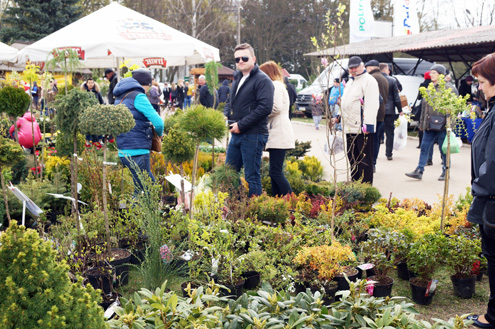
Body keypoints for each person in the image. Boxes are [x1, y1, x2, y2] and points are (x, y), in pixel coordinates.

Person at [466, 52, 495, 329]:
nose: (480, 87)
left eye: (483, 81)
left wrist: (478, 189)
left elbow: (493, 162)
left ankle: (493, 317)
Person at [223, 43, 274, 197]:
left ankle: (254, 213)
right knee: (229, 172)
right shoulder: (238, 77)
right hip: (237, 133)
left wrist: (241, 125)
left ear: (253, 58)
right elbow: (230, 100)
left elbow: (265, 107)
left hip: (253, 134)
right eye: (237, 59)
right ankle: (238, 205)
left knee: (251, 176)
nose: (240, 61)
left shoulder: (262, 80)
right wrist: (226, 114)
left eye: (244, 58)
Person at [113, 68, 164, 194]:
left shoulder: (119, 97)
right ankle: (139, 213)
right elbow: (158, 122)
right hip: (138, 150)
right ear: (146, 85)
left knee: (142, 188)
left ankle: (138, 212)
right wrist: (159, 135)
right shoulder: (139, 97)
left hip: (123, 150)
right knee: (147, 189)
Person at [405, 64, 457, 181]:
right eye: (431, 72)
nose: (431, 74)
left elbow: (455, 109)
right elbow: (424, 109)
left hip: (443, 125)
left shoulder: (450, 89)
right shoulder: (429, 88)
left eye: (434, 72)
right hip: (429, 125)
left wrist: (450, 126)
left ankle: (446, 171)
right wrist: (422, 125)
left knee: (443, 150)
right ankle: (419, 170)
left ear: (441, 75)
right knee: (424, 147)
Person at [332, 56, 379, 185]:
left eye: (355, 67)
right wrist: (338, 117)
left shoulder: (369, 81)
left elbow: (372, 104)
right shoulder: (350, 81)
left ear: (362, 66)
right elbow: (345, 101)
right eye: (351, 68)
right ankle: (355, 184)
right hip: (349, 126)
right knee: (352, 158)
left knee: (364, 160)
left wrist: (368, 125)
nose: (353, 70)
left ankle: (365, 187)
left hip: (362, 128)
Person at [259, 61, 295, 196]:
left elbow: (275, 107)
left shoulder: (276, 86)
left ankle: (292, 200)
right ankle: (278, 201)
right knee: (274, 172)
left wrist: (259, 114)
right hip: (277, 131)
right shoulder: (277, 85)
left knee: (275, 172)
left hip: (279, 131)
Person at [366, 60, 389, 172]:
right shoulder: (384, 78)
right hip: (382, 114)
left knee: (371, 141)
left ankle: (370, 164)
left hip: (373, 114)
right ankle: (373, 163)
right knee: (376, 141)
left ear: (370, 68)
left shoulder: (371, 78)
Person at [380, 62, 403, 161]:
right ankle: (388, 153)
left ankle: (374, 153)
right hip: (389, 110)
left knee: (377, 131)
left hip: (378, 110)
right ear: (386, 69)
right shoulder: (392, 80)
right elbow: (396, 98)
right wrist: (400, 110)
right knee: (390, 132)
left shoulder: (374, 79)